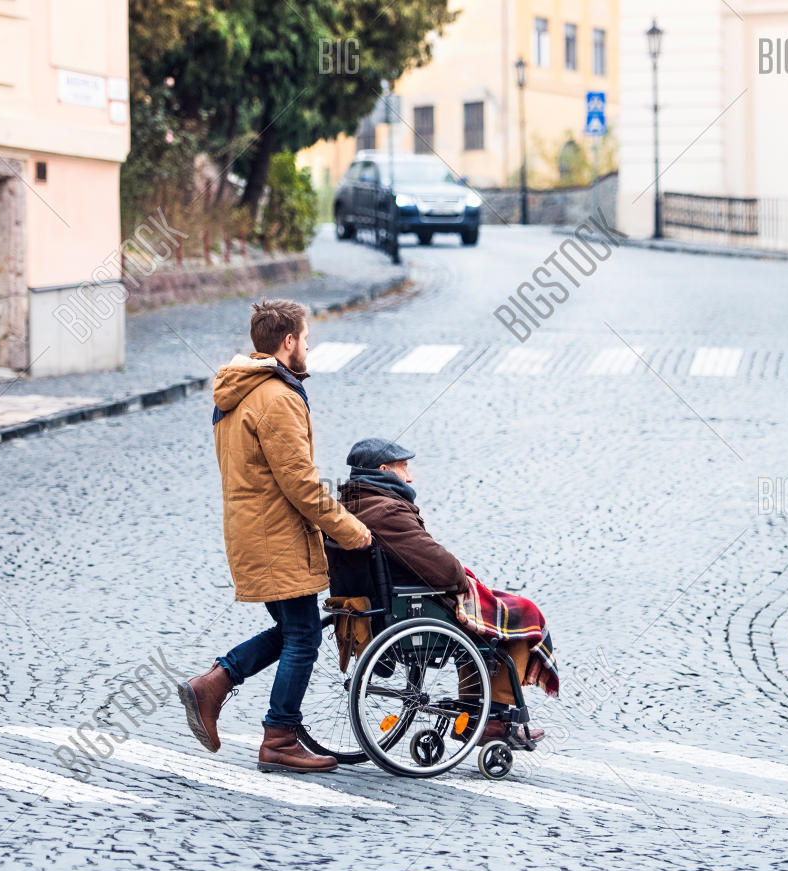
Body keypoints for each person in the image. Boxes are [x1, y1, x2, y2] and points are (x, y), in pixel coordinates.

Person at [179, 299, 372, 774]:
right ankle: (279, 736)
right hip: (276, 535)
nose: (308, 347)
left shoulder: (241, 391)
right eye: (306, 339)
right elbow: (301, 483)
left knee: (293, 630)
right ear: (288, 341)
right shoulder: (277, 397)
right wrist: (353, 532)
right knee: (304, 637)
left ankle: (216, 682)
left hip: (254, 530)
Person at [335, 438, 557, 744]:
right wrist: (461, 577)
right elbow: (443, 569)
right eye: (404, 468)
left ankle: (474, 715)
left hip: (386, 603)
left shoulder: (351, 505)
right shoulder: (386, 510)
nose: (409, 477)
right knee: (523, 615)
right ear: (384, 470)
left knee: (489, 624)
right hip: (415, 605)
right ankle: (493, 720)